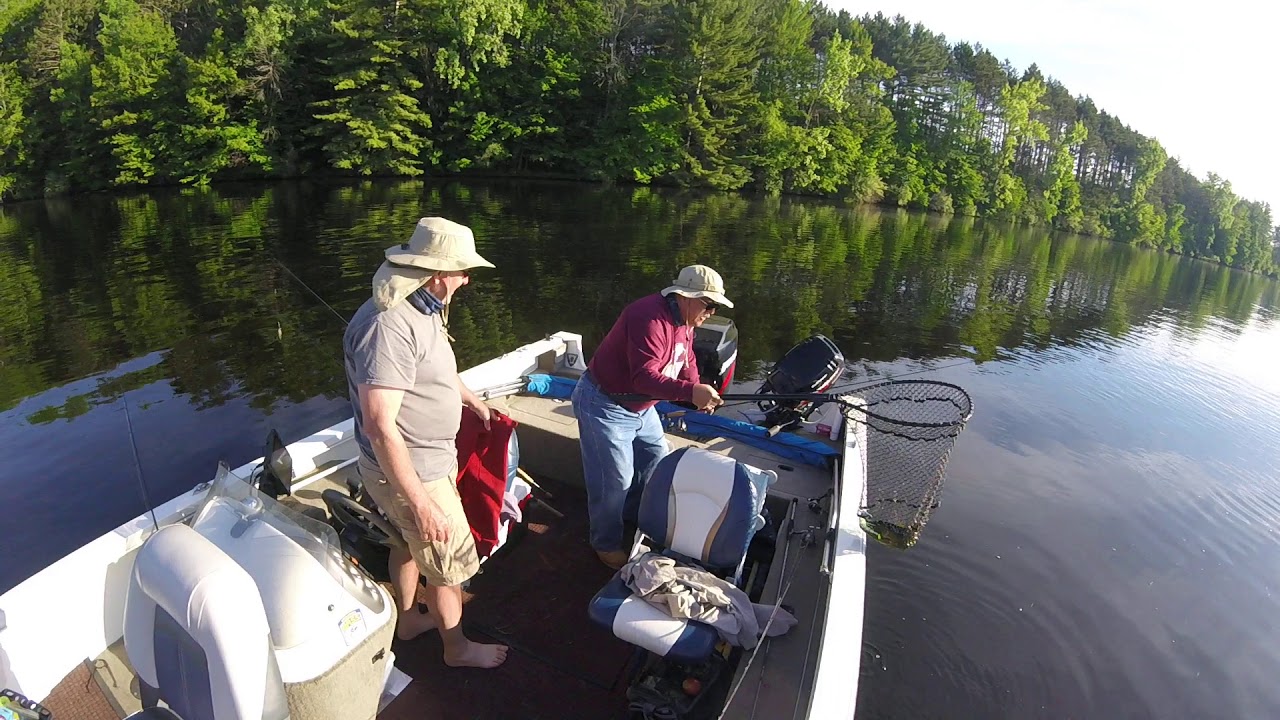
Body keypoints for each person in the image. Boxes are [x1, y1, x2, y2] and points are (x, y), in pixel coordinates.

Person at [343, 216, 508, 669]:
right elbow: (379, 425)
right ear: (437, 274)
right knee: (448, 566)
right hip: (414, 474)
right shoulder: (390, 326)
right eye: (460, 270)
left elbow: (432, 369)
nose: (466, 278)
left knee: (408, 545)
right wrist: (420, 501)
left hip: (424, 462)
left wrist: (470, 399)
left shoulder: (423, 305)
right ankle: (458, 649)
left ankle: (409, 621)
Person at [571, 264, 731, 569]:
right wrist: (689, 393)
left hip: (642, 408)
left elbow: (687, 358)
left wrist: (698, 388)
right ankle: (604, 543)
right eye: (708, 305)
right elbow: (644, 378)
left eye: (715, 307)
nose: (711, 312)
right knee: (615, 480)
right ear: (686, 297)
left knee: (656, 458)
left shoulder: (685, 319)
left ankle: (631, 517)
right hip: (605, 404)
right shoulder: (649, 317)